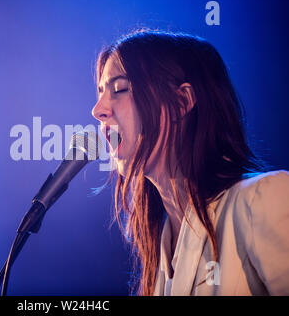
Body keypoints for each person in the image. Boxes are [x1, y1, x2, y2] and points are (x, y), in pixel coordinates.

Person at [91, 30, 289, 296]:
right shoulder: (159, 248)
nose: (98, 110)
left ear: (181, 102)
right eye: (101, 91)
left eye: (120, 89)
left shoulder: (266, 199)